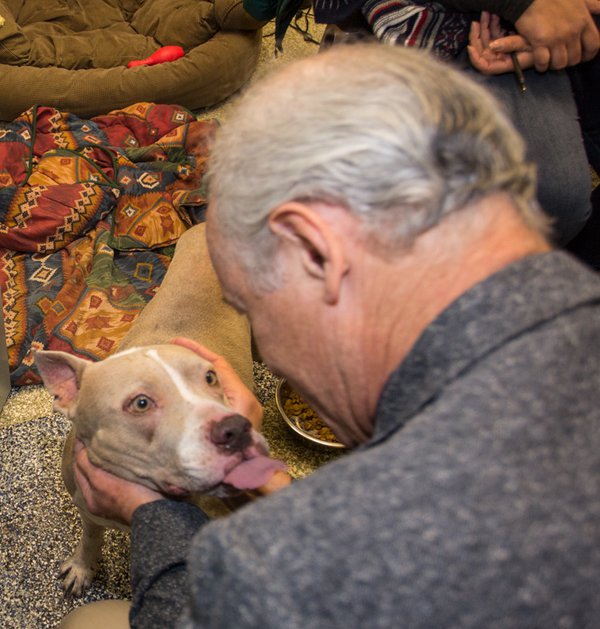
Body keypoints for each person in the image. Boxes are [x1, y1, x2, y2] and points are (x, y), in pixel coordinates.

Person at [62, 43, 600, 628]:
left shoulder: (285, 563)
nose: (273, 361)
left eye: (250, 308)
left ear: (317, 251)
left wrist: (160, 519)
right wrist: (263, 482)